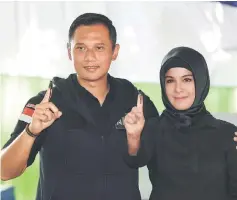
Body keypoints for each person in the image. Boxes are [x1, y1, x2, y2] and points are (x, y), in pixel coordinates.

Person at [1, 13, 159, 200]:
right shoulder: (44, 103)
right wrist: (31, 131)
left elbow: (159, 165)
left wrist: (134, 139)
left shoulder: (136, 102)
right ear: (69, 52)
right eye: (81, 48)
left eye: (99, 48)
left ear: (114, 51)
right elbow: (5, 171)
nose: (90, 57)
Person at [124, 46, 237, 200]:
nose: (178, 89)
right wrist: (133, 135)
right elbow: (135, 160)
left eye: (187, 79)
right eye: (170, 81)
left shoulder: (227, 134)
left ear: (201, 81)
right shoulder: (155, 128)